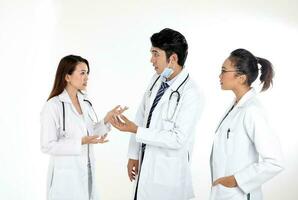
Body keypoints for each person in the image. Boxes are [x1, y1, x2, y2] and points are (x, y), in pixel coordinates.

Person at [110, 28, 204, 200]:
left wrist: (136, 131)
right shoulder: (157, 79)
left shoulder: (191, 93)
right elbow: (142, 115)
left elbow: (178, 138)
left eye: (155, 54)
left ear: (173, 58)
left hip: (168, 178)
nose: (151, 60)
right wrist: (133, 154)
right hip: (145, 165)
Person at [40, 55, 125, 200]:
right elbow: (47, 146)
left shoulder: (85, 102)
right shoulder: (53, 106)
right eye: (82, 73)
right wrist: (80, 142)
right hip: (65, 177)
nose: (87, 77)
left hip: (86, 170)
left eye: (87, 73)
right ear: (67, 77)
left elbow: (89, 133)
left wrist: (106, 119)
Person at [210, 49, 284, 200]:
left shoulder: (252, 111)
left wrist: (236, 180)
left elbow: (275, 162)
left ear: (241, 78)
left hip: (240, 194)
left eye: (224, 71)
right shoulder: (236, 107)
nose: (219, 76)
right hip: (224, 193)